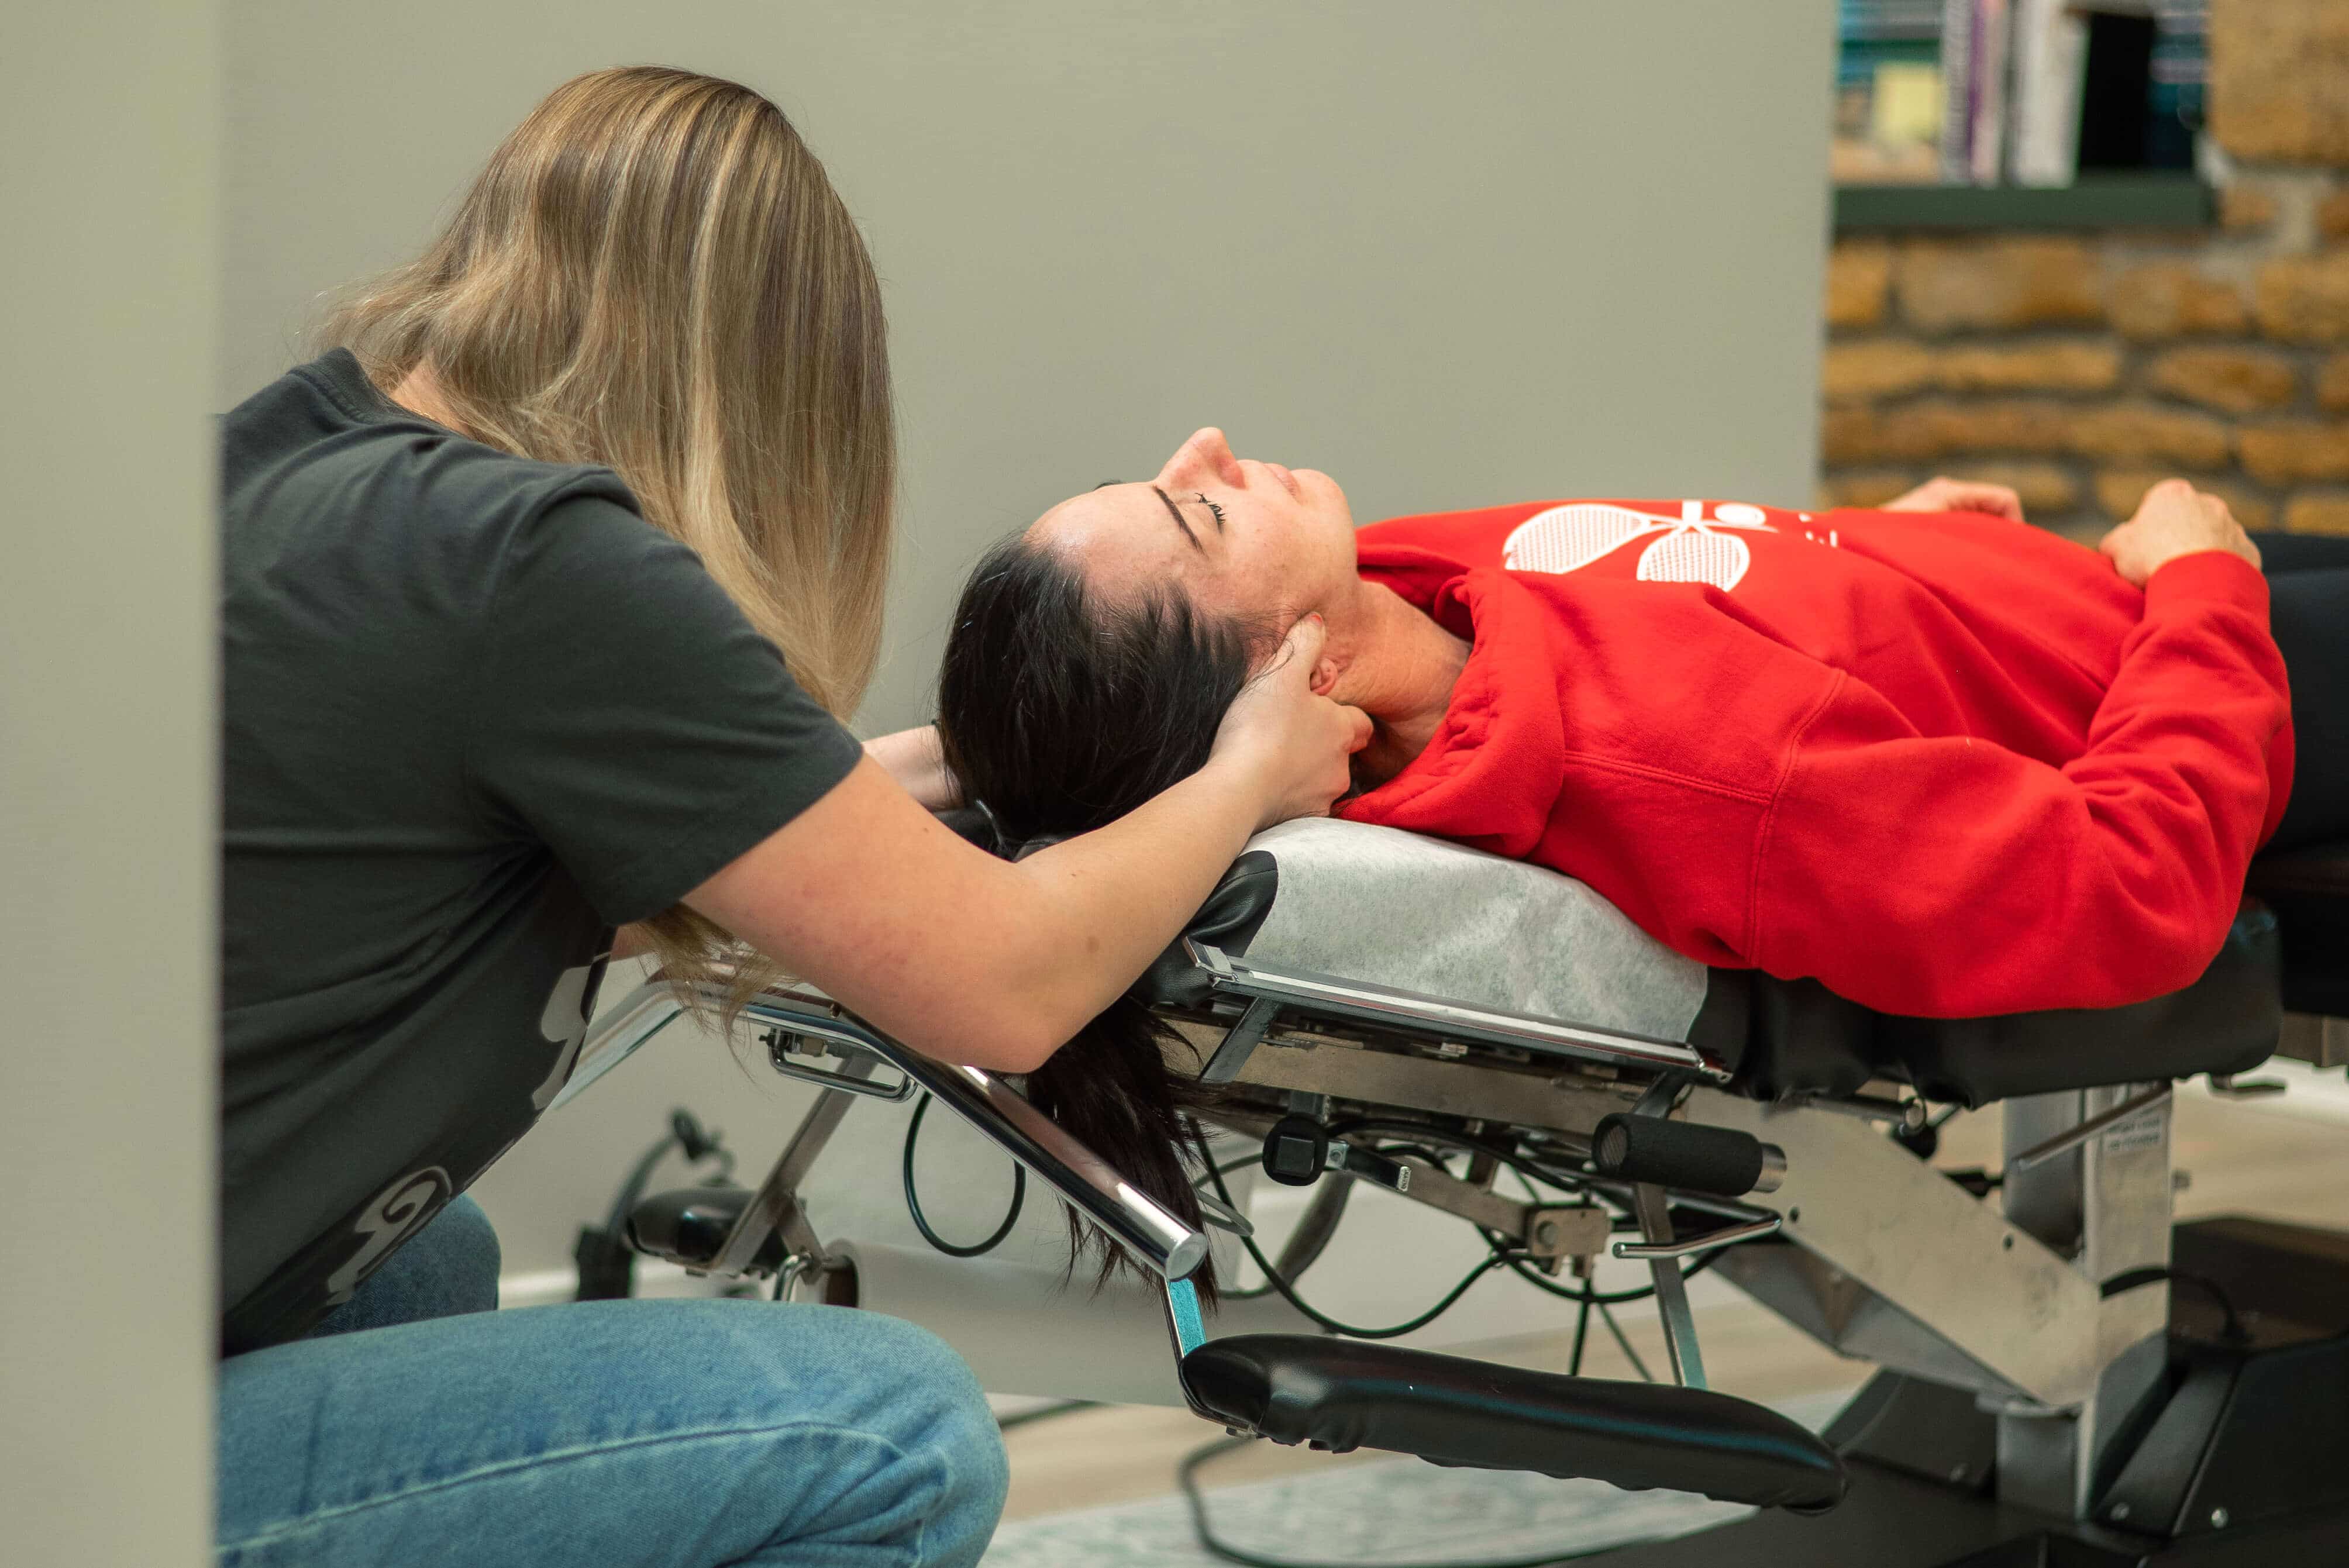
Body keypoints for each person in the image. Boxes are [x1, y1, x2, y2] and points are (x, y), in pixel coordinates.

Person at [216, 73, 1367, 1568]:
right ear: (772, 375)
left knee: (424, 1263)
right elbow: (1004, 984)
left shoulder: (299, 470)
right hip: (55, 1442)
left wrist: (961, 765)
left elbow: (610, 844)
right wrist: (1246, 779)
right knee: (888, 1434)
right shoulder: (544, 566)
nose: (1208, 449)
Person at [938, 429, 2341, 1225]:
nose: (1211, 445)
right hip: (2218, 669)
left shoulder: (1402, 591)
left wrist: (1873, 563)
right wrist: (2209, 587)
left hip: (2091, 598)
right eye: (1195, 510)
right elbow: (2124, 888)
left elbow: (1677, 600)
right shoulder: (1689, 781)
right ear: (1286, 678)